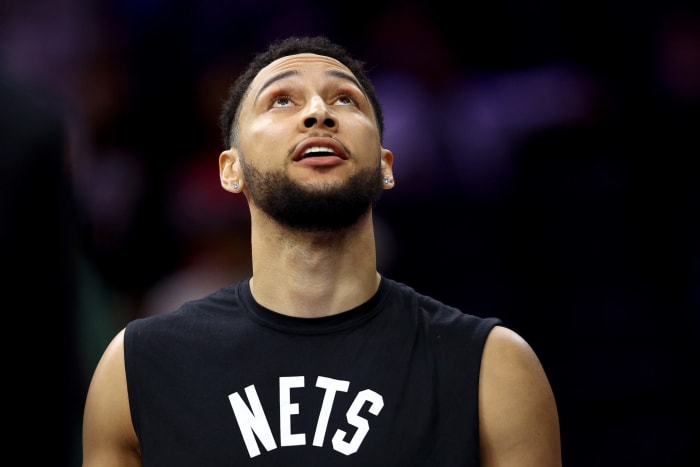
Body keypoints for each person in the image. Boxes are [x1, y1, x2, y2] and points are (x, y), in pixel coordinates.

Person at [81, 35, 561, 466]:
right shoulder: (137, 366)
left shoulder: (491, 367)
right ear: (231, 170)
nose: (318, 113)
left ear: (385, 166)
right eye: (282, 100)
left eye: (345, 99)